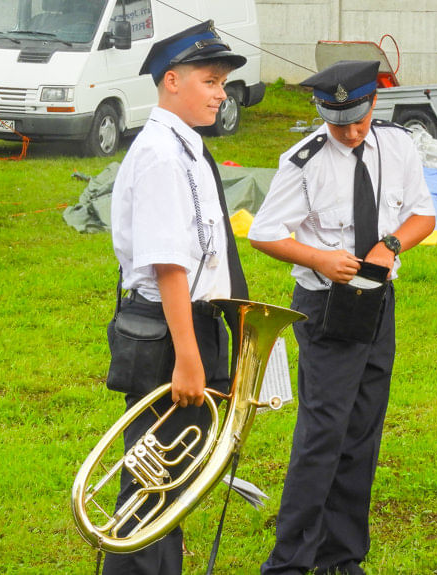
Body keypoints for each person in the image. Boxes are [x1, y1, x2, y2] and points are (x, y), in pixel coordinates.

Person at [248, 60, 436, 575]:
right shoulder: (303, 160)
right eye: (337, 123)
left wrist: (391, 245)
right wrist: (320, 259)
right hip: (326, 308)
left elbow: (423, 213)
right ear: (322, 114)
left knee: (362, 429)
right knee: (323, 434)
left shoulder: (397, 145)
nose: (349, 133)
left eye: (357, 120)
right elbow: (263, 233)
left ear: (373, 104)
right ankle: (289, 562)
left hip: (376, 304)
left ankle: (341, 555)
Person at [102, 20, 248, 575]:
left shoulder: (186, 149)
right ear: (171, 81)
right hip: (170, 329)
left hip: (190, 322)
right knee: (151, 482)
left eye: (222, 83)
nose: (220, 93)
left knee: (174, 477)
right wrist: (189, 355)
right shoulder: (163, 153)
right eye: (211, 80)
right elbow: (169, 263)